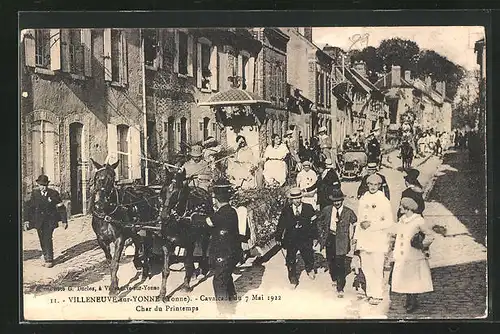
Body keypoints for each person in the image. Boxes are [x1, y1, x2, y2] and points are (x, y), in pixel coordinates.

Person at [353, 173, 395, 305]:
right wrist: (356, 238)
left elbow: (389, 222)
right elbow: (359, 220)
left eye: (376, 185)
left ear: (380, 186)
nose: (373, 187)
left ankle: (377, 294)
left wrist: (372, 224)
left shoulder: (384, 201)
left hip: (377, 239)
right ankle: (370, 293)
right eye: (370, 184)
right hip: (365, 240)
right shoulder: (363, 199)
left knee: (377, 267)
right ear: (367, 185)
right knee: (366, 268)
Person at [390, 197, 436, 313]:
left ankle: (413, 301)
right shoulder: (402, 220)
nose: (399, 208)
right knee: (404, 277)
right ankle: (408, 300)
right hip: (402, 253)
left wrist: (421, 245)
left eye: (401, 206)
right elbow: (396, 232)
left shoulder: (418, 220)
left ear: (407, 208)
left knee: (413, 278)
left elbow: (430, 235)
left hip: (413, 254)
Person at [205, 179, 242, 314]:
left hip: (223, 253)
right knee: (227, 276)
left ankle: (224, 311)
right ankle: (232, 299)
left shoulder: (223, 212)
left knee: (219, 281)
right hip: (231, 253)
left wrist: (195, 217)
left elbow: (209, 222)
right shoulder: (231, 211)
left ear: (217, 199)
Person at [316, 189, 357, 298]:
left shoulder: (348, 212)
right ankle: (334, 277)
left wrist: (354, 237)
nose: (337, 203)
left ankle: (340, 287)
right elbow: (319, 221)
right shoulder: (327, 210)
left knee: (340, 262)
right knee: (330, 260)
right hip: (330, 237)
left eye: (339, 200)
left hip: (342, 240)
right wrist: (321, 233)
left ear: (342, 200)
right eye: (335, 201)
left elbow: (356, 223)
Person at [23, 175, 68, 268]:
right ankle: (45, 254)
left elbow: (61, 207)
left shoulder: (53, 193)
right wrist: (26, 220)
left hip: (50, 221)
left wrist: (64, 220)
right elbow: (29, 208)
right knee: (41, 238)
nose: (43, 187)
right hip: (38, 221)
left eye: (44, 185)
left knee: (47, 238)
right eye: (41, 185)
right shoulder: (35, 194)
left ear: (47, 184)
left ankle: (49, 259)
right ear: (38, 185)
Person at [275, 188, 317, 288]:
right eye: (295, 199)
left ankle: (309, 269)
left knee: (308, 255)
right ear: (291, 199)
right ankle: (293, 278)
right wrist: (278, 237)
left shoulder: (308, 208)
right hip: (291, 239)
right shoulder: (286, 210)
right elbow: (281, 224)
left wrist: (315, 237)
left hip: (305, 238)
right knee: (290, 259)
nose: (297, 200)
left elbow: (314, 224)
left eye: (299, 198)